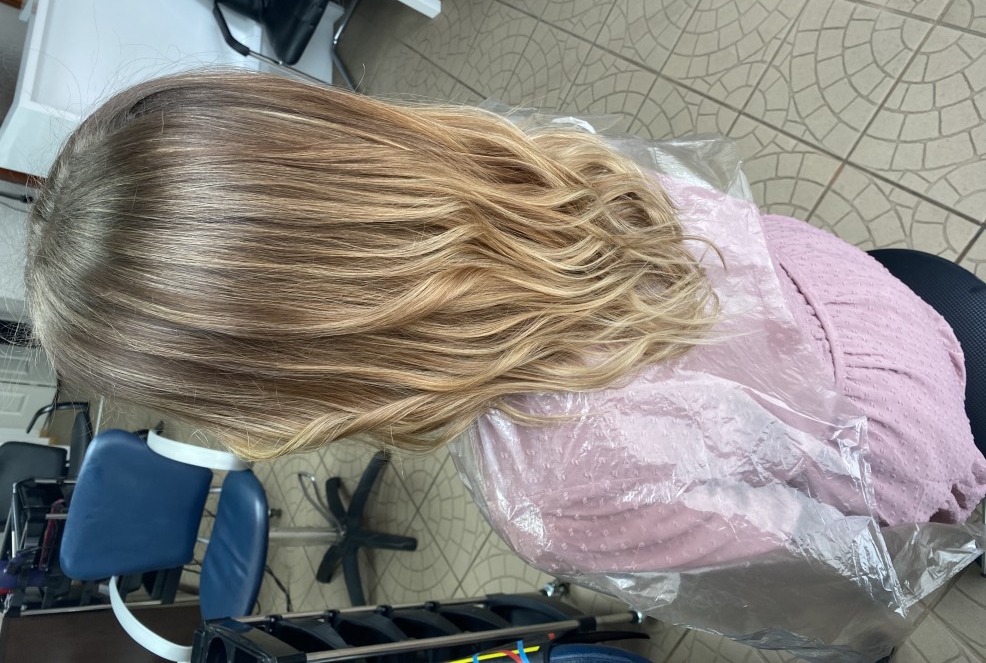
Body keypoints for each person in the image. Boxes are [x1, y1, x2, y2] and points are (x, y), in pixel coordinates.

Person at [25, 71, 986, 660]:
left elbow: (824, 555)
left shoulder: (558, 491)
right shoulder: (540, 165)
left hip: (931, 444)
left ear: (278, 383)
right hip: (893, 293)